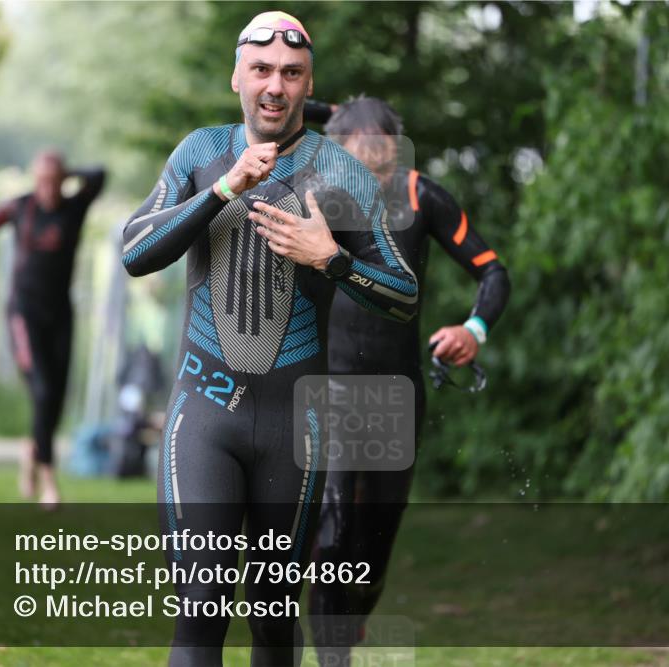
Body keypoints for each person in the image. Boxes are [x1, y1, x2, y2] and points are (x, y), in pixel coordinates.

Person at [121, 12, 418, 667]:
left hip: (295, 423)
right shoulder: (201, 154)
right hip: (205, 413)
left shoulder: (340, 173)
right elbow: (135, 251)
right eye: (261, 70)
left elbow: (404, 292)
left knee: (273, 622)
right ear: (238, 77)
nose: (275, 85)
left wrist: (332, 259)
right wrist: (223, 191)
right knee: (201, 608)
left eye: (291, 73)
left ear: (309, 84)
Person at [309, 96, 511, 666]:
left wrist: (474, 328)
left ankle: (353, 619)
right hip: (327, 389)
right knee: (334, 529)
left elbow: (493, 271)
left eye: (383, 165)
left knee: (373, 547)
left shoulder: (423, 195)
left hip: (397, 394)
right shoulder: (314, 195)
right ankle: (333, 656)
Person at [0, 151, 105, 508]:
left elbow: (100, 174)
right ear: (33, 179)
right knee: (42, 393)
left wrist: (64, 169)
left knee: (56, 397)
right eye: (41, 180)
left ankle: (31, 451)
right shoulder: (19, 208)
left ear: (63, 179)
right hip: (23, 315)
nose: (47, 187)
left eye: (54, 180)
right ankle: (48, 480)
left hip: (60, 314)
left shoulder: (74, 207)